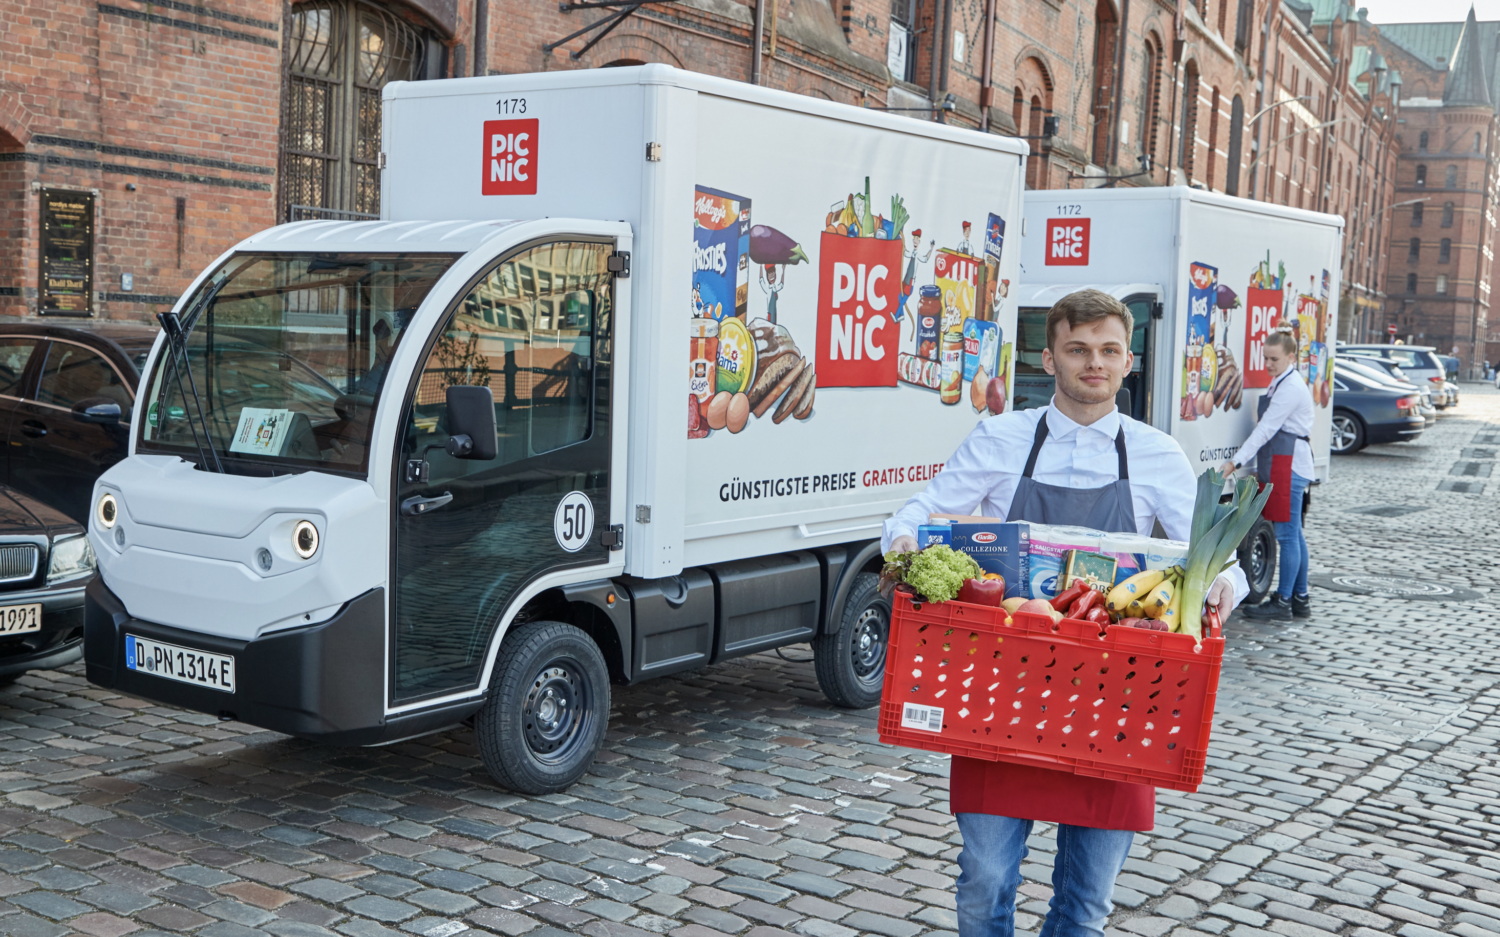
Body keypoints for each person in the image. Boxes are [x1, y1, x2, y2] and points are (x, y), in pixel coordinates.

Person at [884, 289, 1248, 937]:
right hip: (1001, 690)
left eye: (1108, 350)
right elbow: (920, 509)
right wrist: (906, 542)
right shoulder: (1000, 438)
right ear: (1048, 357)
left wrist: (1225, 583)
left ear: (1128, 361)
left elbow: (1209, 551)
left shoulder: (1158, 452)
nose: (1094, 363)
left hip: (1119, 700)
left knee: (1086, 902)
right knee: (986, 877)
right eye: (1077, 349)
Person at [1220, 328, 1313, 621]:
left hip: (1289, 465)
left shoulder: (1290, 387)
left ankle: (1284, 601)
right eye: (1266, 358)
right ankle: (1299, 598)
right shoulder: (1282, 381)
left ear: (1291, 357)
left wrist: (1235, 461)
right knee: (1294, 534)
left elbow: (1265, 429)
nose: (1268, 364)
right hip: (1284, 462)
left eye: (1274, 359)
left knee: (1287, 535)